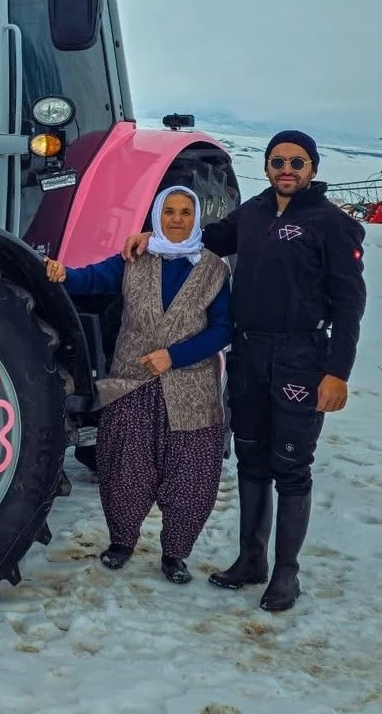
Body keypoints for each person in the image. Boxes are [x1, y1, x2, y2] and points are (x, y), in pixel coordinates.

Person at [121, 129, 368, 611]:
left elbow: (349, 303)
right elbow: (202, 238)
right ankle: (251, 559)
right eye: (278, 162)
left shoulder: (330, 223)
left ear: (313, 168)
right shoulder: (253, 213)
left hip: (301, 357)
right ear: (267, 167)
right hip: (249, 354)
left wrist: (338, 371)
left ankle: (286, 574)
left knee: (291, 466)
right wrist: (153, 236)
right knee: (252, 460)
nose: (287, 170)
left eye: (297, 162)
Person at [45, 185, 233, 584]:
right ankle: (122, 542)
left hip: (190, 388)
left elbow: (222, 330)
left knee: (190, 474)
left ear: (196, 218)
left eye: (185, 212)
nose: (177, 220)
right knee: (123, 467)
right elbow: (92, 279)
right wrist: (62, 273)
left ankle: (175, 555)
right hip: (132, 382)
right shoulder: (136, 257)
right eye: (169, 212)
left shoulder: (214, 268)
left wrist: (175, 356)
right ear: (156, 217)